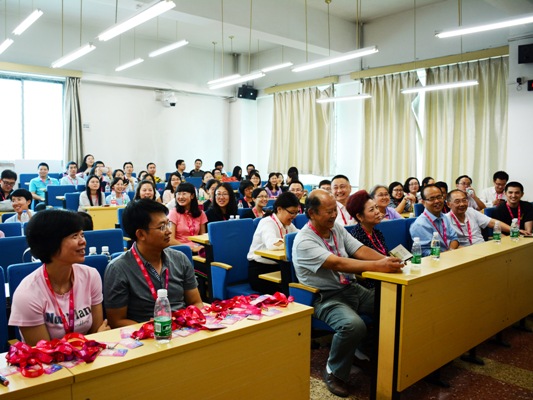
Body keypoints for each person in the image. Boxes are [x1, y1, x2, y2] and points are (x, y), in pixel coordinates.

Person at [292, 189, 403, 397]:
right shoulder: (304, 241)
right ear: (312, 213)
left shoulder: (336, 228)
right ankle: (334, 372)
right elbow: (338, 263)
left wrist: (387, 260)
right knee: (353, 325)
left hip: (351, 288)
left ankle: (371, 352)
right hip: (325, 297)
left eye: (335, 210)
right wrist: (378, 266)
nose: (334, 215)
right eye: (328, 212)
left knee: (394, 303)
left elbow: (359, 249)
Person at [9, 209, 109, 345]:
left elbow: (97, 333)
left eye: (82, 235)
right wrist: (91, 341)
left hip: (89, 356)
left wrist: (94, 339)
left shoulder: (91, 276)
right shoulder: (27, 294)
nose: (83, 241)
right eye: (75, 236)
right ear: (51, 243)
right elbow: (44, 352)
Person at [104, 200, 203, 327]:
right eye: (162, 227)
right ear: (141, 234)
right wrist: (154, 329)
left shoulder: (180, 259)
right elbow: (116, 321)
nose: (169, 231)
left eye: (168, 224)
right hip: (144, 333)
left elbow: (196, 303)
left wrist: (185, 323)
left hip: (184, 328)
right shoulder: (118, 269)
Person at [247, 192, 300, 294]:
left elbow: (299, 234)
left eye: (296, 213)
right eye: (291, 212)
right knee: (288, 290)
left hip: (278, 267)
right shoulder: (267, 222)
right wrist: (289, 240)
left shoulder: (287, 224)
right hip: (260, 271)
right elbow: (272, 245)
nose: (294, 216)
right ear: (279, 209)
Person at [346, 190, 387, 289]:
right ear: (359, 216)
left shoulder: (377, 232)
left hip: (386, 275)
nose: (377, 211)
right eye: (371, 210)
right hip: (371, 282)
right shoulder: (356, 236)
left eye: (376, 207)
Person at [446, 189, 514, 246]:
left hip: (481, 246)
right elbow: (449, 245)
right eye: (457, 201)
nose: (462, 204)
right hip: (462, 251)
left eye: (464, 200)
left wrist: (514, 230)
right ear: (448, 204)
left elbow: (492, 222)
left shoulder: (471, 211)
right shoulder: (446, 220)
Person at [409, 184, 460, 256]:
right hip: (435, 260)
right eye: (431, 199)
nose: (437, 201)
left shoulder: (444, 217)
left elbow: (454, 238)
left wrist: (450, 251)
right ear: (423, 202)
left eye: (439, 197)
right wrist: (446, 255)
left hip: (450, 255)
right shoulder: (419, 225)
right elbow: (424, 251)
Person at [168, 182, 208, 252]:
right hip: (180, 250)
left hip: (198, 249)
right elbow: (170, 240)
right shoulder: (173, 213)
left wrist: (199, 248)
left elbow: (203, 237)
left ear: (192, 196)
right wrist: (190, 249)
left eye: (184, 194)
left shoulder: (201, 213)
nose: (181, 197)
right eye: (178, 194)